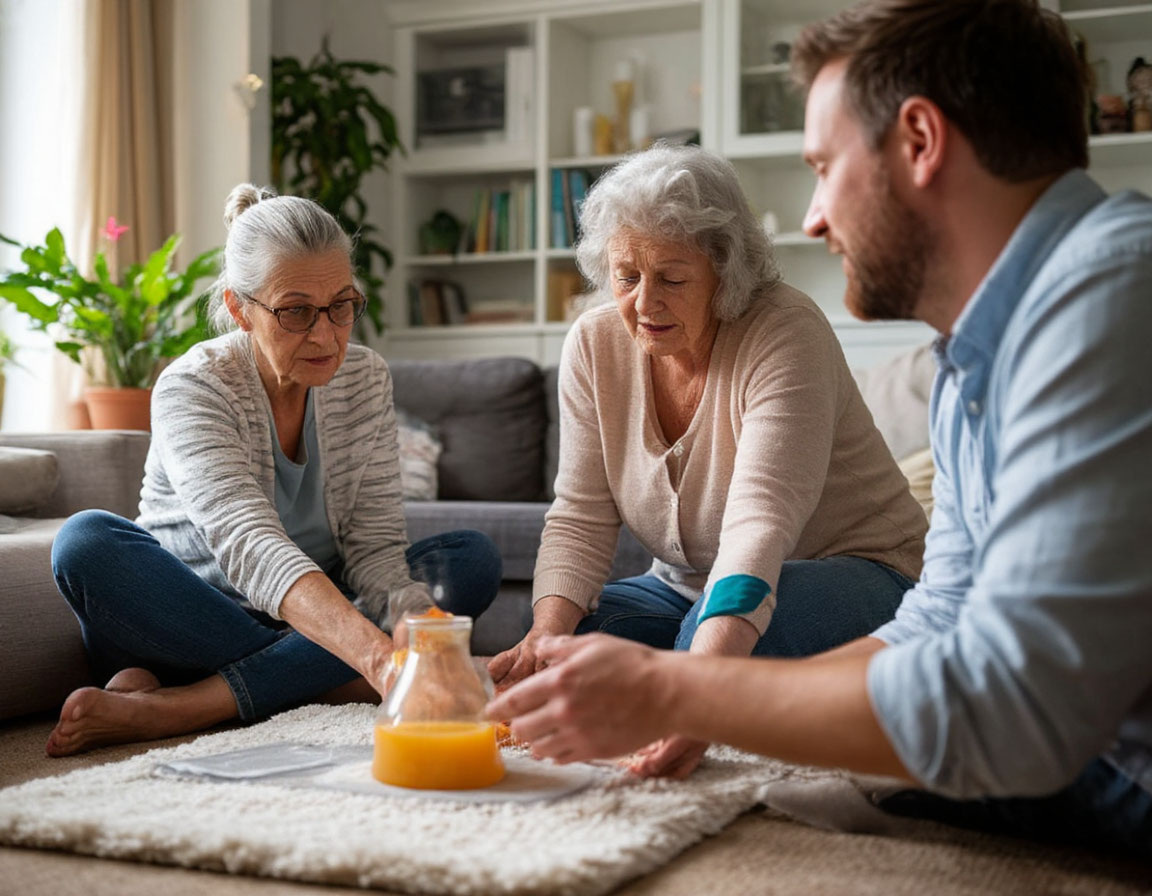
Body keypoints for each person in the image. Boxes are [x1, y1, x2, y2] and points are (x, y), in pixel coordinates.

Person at [489, 0, 1152, 857]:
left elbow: (1015, 705)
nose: (810, 219)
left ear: (921, 141)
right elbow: (939, 617)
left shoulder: (1112, 295)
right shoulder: (973, 354)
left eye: (824, 166)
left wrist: (684, 690)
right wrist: (676, 686)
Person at [490, 144, 928, 778]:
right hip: (682, 585)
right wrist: (543, 638)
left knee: (708, 651)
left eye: (671, 279)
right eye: (626, 276)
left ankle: (694, 700)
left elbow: (758, 527)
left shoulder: (786, 331)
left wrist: (696, 697)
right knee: (573, 651)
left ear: (726, 271)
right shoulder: (594, 343)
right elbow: (581, 514)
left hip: (863, 570)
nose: (644, 303)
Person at [47, 185, 502, 756]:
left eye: (342, 305)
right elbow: (249, 544)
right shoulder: (194, 386)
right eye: (295, 311)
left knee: (469, 559)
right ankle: (319, 678)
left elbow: (375, 544)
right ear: (240, 309)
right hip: (191, 613)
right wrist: (379, 659)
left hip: (320, 610)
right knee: (85, 542)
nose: (326, 335)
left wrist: (408, 611)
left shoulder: (365, 378)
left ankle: (186, 704)